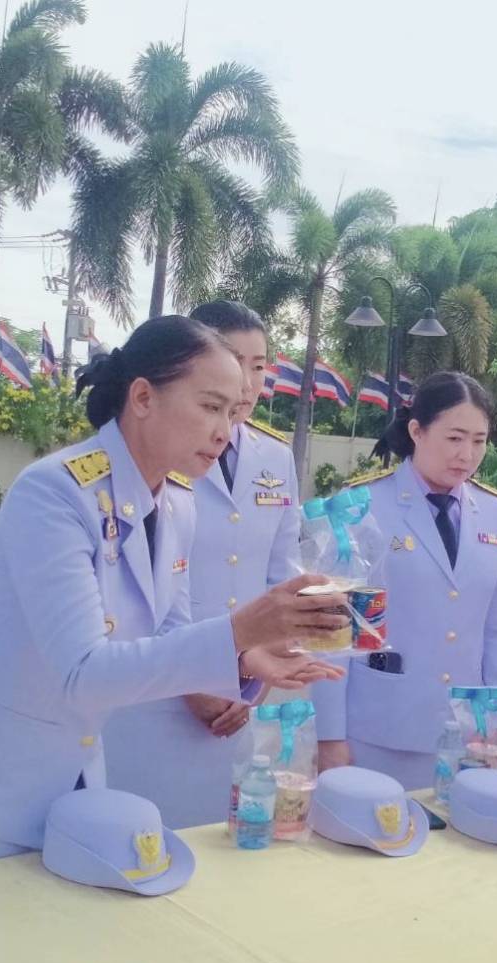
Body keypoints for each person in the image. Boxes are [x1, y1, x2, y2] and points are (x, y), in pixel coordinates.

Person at [0, 316, 345, 874]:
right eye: (210, 406)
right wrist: (241, 629)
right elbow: (82, 671)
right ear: (143, 397)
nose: (226, 429)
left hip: (69, 783)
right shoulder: (55, 492)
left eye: (233, 409)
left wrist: (242, 657)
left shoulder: (175, 502)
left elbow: (167, 628)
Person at [102, 302, 304, 828]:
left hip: (240, 691)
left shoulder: (274, 457)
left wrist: (250, 667)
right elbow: (144, 604)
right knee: (144, 836)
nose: (247, 381)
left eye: (259, 365)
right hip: (156, 692)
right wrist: (203, 676)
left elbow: (280, 570)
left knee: (226, 845)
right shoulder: (139, 464)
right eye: (234, 360)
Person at [313, 372, 497, 790]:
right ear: (417, 431)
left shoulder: (496, 514)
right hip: (380, 729)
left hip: (466, 733)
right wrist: (330, 736)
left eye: (479, 441)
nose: (467, 454)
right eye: (455, 438)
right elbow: (335, 628)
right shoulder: (362, 507)